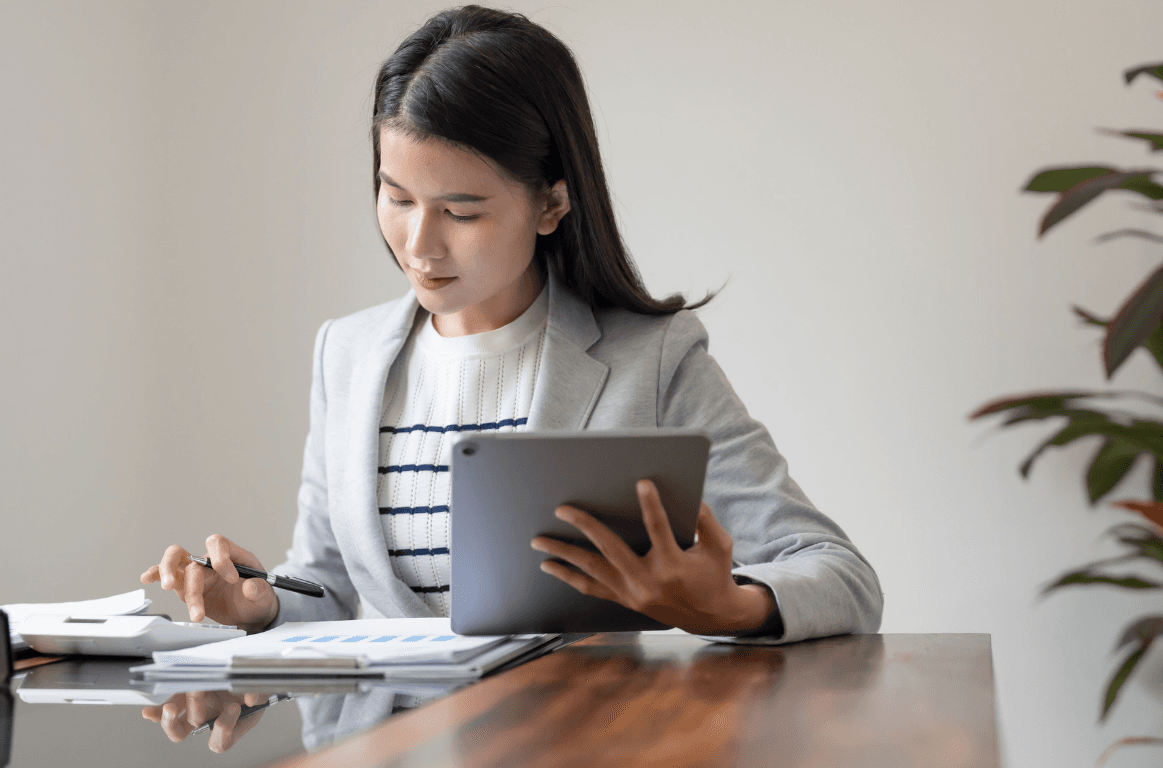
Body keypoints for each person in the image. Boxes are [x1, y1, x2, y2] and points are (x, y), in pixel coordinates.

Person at [141, 5, 882, 644]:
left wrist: (728, 605)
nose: (420, 245)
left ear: (552, 204)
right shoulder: (348, 354)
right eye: (396, 197)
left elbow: (842, 576)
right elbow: (330, 587)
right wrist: (262, 602)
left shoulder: (651, 359)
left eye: (461, 212)